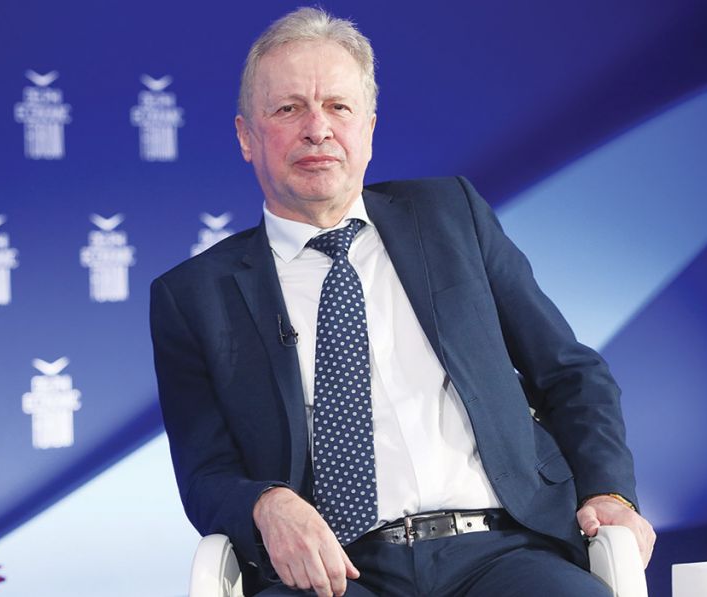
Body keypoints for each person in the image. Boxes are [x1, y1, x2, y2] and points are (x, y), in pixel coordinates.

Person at [151, 7, 655, 597]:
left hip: (502, 551)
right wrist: (266, 503)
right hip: (333, 573)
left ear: (368, 128)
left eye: (338, 107)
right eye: (288, 109)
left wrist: (610, 492)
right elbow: (206, 474)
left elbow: (570, 373)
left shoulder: (451, 216)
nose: (318, 129)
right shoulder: (193, 297)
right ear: (246, 136)